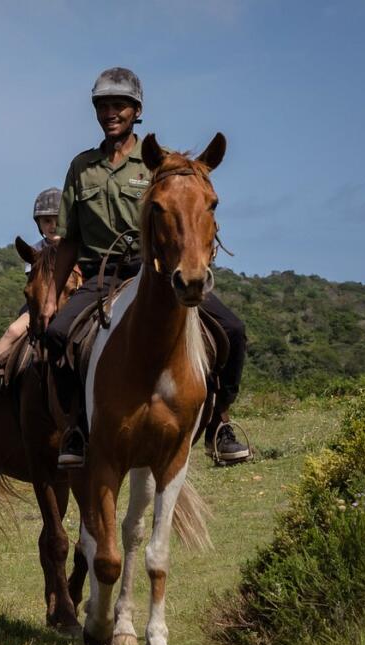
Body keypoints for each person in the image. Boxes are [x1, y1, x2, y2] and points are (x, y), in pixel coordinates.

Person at [46, 67, 251, 467]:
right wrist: (53, 295)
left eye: (119, 105)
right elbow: (69, 240)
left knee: (233, 331)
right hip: (101, 276)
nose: (111, 112)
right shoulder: (81, 167)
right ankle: (76, 427)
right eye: (103, 105)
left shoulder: (162, 162)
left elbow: (188, 213)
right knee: (57, 335)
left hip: (155, 274)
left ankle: (220, 422)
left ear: (136, 111)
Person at [0, 187, 64, 400]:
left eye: (57, 219)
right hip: (38, 305)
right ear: (39, 224)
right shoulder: (36, 250)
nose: (52, 225)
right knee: (12, 331)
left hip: (67, 302)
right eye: (46, 221)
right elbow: (37, 285)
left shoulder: (72, 247)